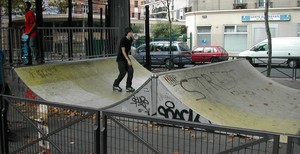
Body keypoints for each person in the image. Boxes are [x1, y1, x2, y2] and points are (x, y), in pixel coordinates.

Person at [113, 27, 135, 92]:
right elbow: (123, 51)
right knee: (123, 72)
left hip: (126, 57)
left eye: (132, 32)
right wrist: (128, 59)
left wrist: (132, 52)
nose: (132, 33)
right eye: (131, 32)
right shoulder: (123, 40)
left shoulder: (130, 39)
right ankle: (115, 85)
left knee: (131, 71)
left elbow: (129, 48)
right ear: (128, 33)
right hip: (121, 59)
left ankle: (128, 86)